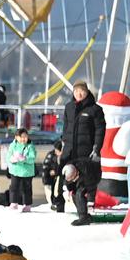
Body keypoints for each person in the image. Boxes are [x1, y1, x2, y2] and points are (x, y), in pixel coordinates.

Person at [61, 80, 105, 224]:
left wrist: (97, 148)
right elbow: (65, 129)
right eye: (76, 91)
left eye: (82, 91)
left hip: (86, 154)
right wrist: (63, 147)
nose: (79, 94)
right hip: (70, 154)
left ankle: (84, 216)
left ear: (87, 92)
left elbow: (100, 130)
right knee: (71, 187)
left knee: (82, 187)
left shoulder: (95, 109)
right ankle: (83, 213)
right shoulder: (68, 108)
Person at [2, 130, 37, 208]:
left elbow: (33, 158)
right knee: (14, 187)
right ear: (16, 137)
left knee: (26, 189)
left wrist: (24, 158)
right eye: (21, 137)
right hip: (15, 171)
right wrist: (12, 159)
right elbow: (8, 156)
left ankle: (27, 204)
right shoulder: (13, 145)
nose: (23, 139)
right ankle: (14, 202)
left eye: (25, 137)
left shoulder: (30, 146)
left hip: (27, 172)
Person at [41, 138, 65, 213]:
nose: (57, 152)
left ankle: (57, 204)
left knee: (57, 191)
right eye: (56, 150)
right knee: (50, 192)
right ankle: (52, 204)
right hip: (49, 178)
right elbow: (45, 166)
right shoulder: (51, 155)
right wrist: (49, 172)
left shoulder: (64, 156)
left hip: (58, 177)